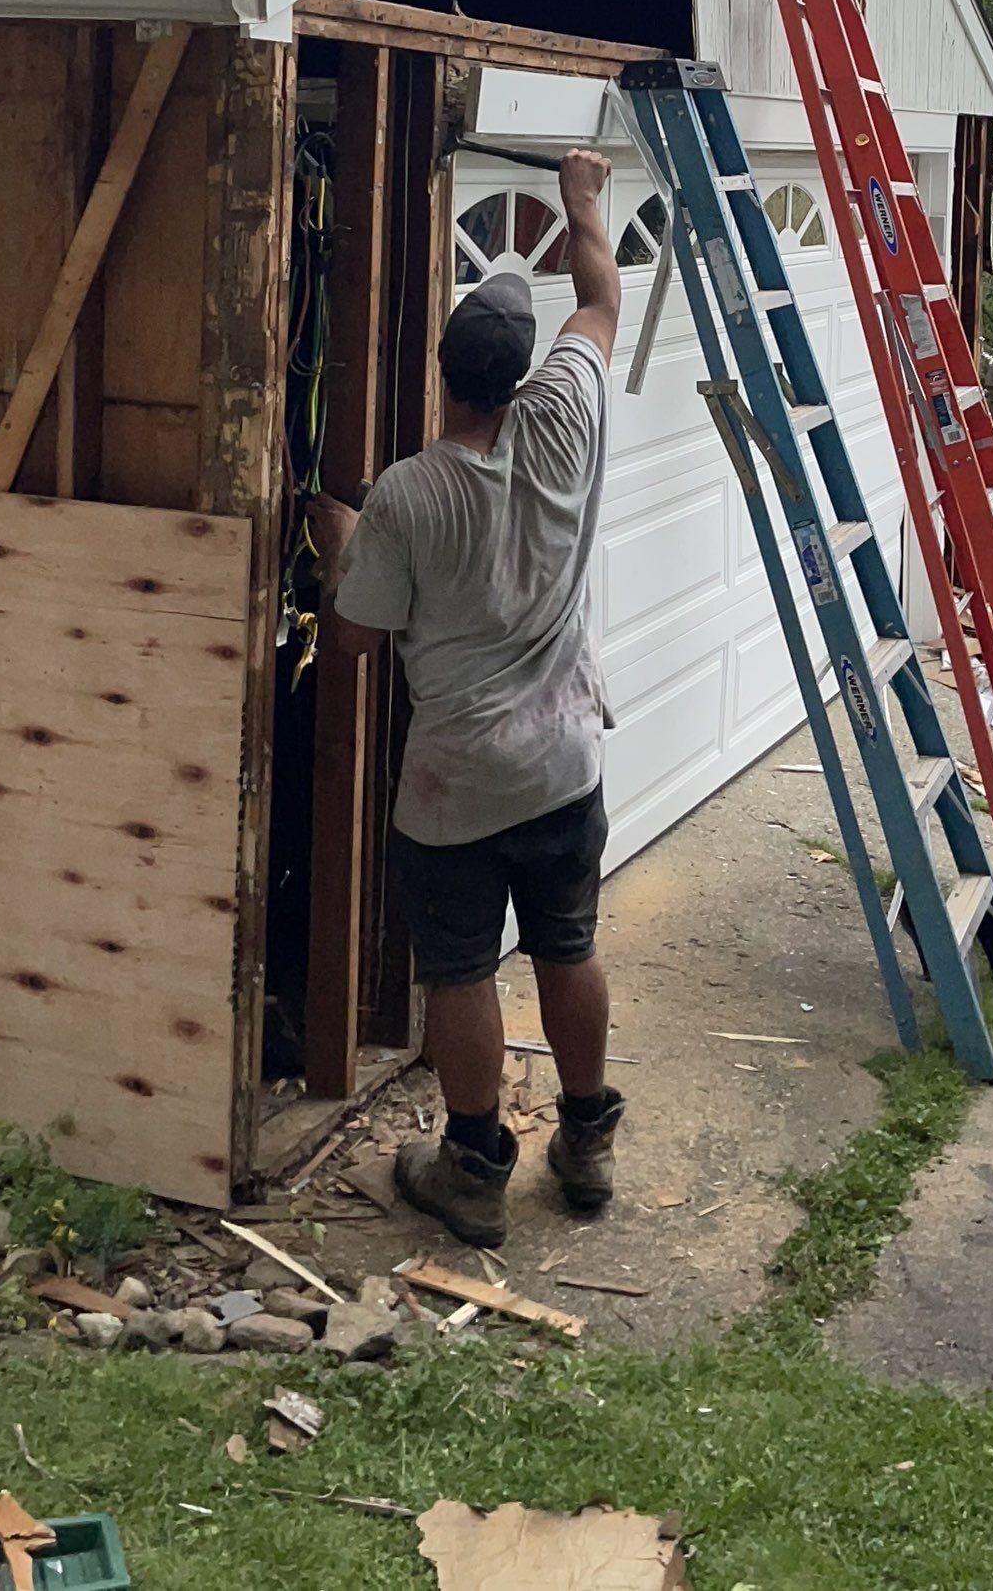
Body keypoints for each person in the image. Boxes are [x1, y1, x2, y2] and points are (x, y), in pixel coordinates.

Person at [310, 147, 624, 1250]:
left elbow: (352, 637)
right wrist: (582, 200)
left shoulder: (405, 494)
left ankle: (473, 1167)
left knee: (460, 969)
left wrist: (338, 541)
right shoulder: (567, 417)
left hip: (456, 788)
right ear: (523, 369)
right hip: (565, 761)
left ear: (442, 370)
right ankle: (585, 1140)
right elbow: (598, 294)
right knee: (567, 945)